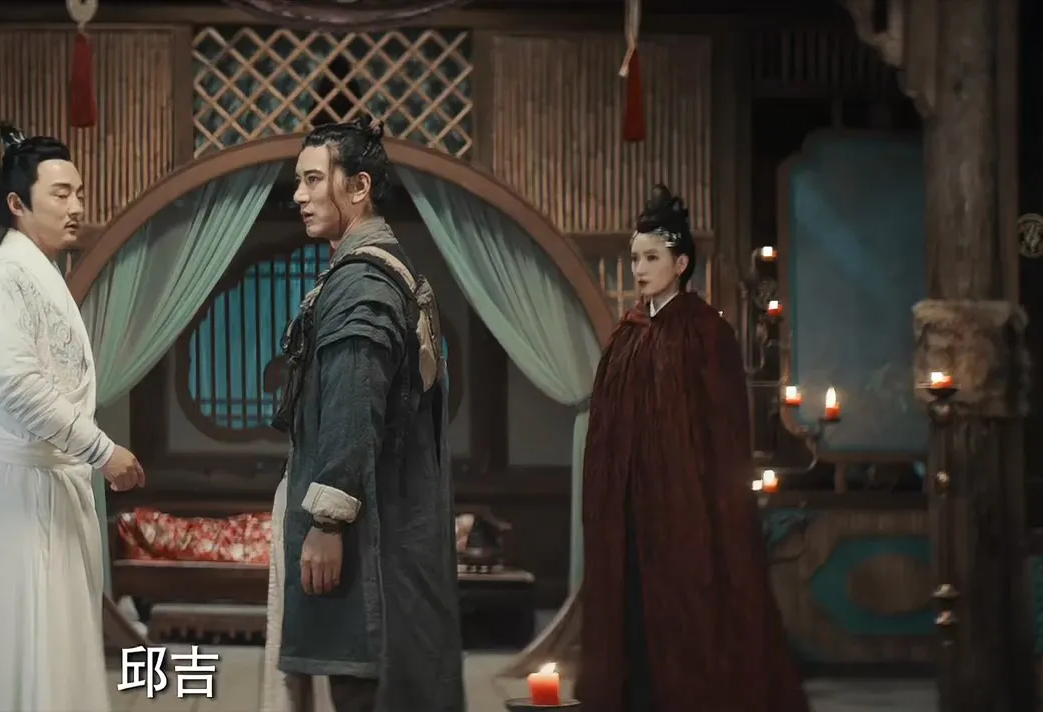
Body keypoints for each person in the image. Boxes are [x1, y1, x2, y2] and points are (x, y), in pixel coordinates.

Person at [513, 185, 809, 711]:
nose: (640, 269)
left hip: (687, 510)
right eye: (635, 258)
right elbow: (607, 428)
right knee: (630, 619)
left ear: (681, 264)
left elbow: (723, 434)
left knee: (684, 617)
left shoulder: (706, 334)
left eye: (652, 257)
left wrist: (702, 501)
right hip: (628, 510)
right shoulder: (626, 335)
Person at [258, 116, 464, 712]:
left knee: (366, 687)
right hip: (392, 521)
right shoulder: (385, 270)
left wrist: (327, 524)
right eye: (298, 181)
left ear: (358, 186)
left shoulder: (363, 283)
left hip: (368, 532)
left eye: (313, 179)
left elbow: (353, 409)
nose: (299, 195)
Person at [0, 122, 145, 711]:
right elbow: (15, 384)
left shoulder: (39, 273)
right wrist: (101, 451)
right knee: (19, 643)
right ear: (17, 203)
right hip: (17, 484)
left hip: (53, 479)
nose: (76, 206)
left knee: (59, 648)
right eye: (61, 193)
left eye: (78, 193)